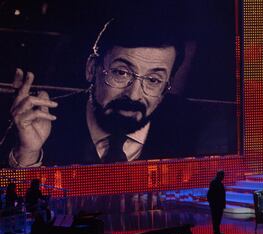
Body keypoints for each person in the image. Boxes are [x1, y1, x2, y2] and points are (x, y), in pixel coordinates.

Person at [0, 5, 204, 167]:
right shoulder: (38, 122)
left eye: (153, 80)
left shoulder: (192, 130)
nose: (133, 95)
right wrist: (27, 154)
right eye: (121, 73)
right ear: (91, 69)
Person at [207, 170, 226, 234]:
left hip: (217, 204)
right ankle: (216, 233)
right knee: (216, 219)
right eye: (222, 175)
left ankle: (217, 233)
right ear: (219, 175)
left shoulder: (217, 182)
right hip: (216, 205)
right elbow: (211, 194)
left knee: (217, 219)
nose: (223, 177)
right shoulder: (215, 182)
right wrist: (212, 203)